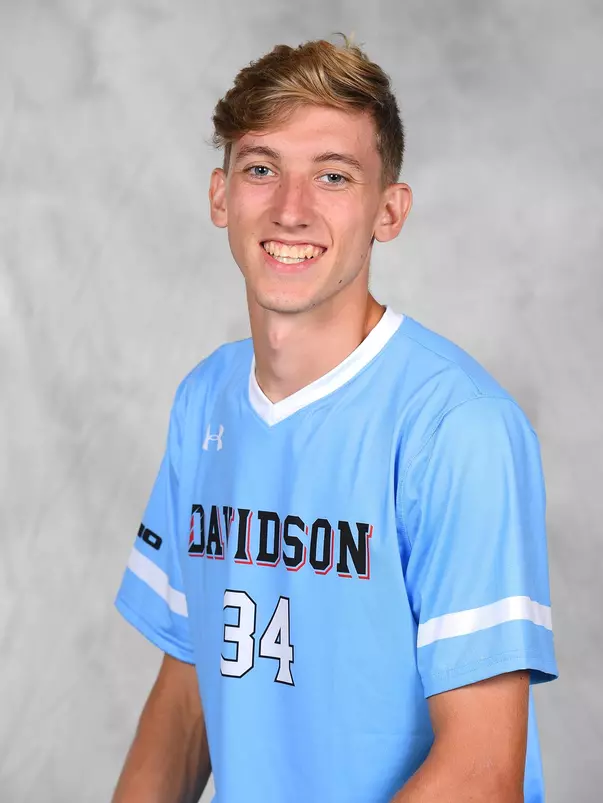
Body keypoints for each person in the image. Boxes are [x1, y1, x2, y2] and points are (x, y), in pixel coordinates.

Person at [112, 35, 558, 803]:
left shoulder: (458, 427)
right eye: (261, 168)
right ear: (221, 195)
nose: (291, 209)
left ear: (388, 210)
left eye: (332, 175)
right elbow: (188, 692)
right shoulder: (205, 400)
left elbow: (482, 774)